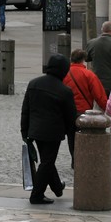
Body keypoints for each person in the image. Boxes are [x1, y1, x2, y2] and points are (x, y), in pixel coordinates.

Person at [20, 54, 78, 205]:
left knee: (47, 160)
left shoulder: (34, 83)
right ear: (64, 71)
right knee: (47, 162)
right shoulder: (64, 91)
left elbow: (26, 109)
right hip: (53, 133)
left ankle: (57, 187)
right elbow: (71, 117)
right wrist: (70, 133)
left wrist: (24, 131)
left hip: (35, 130)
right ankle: (36, 195)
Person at [64, 48, 107, 115]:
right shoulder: (89, 74)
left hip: (66, 109)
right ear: (83, 60)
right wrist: (107, 109)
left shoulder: (64, 73)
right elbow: (99, 95)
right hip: (83, 110)